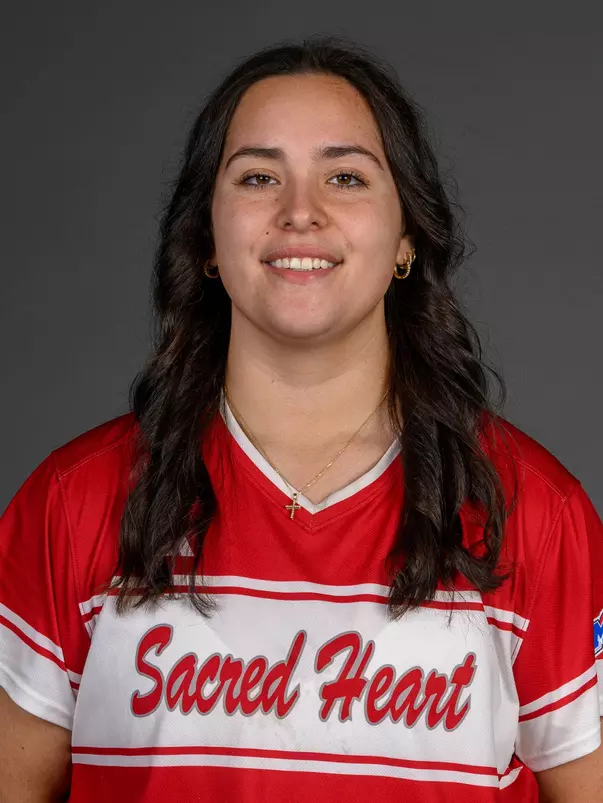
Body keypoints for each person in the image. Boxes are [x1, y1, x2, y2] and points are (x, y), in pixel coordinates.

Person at [0, 35, 601, 803]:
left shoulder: (532, 511)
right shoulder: (74, 500)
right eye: (257, 177)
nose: (299, 212)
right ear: (208, 239)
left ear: (406, 237)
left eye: (345, 176)